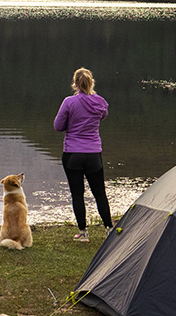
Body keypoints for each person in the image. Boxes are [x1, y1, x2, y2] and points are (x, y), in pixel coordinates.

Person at [53, 67, 113, 242]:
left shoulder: (69, 102)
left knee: (77, 194)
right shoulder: (100, 102)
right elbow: (102, 117)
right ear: (91, 82)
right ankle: (109, 229)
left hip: (73, 154)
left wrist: (71, 123)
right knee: (100, 193)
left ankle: (83, 233)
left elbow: (58, 126)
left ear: (76, 83)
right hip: (93, 154)